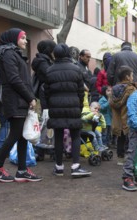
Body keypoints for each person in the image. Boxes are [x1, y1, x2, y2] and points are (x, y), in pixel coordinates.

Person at [0, 28, 41, 182]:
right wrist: (30, 97)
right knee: (15, 134)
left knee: (22, 135)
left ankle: (22, 170)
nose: (25, 40)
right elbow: (14, 79)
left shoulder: (13, 53)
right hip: (15, 101)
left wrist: (29, 98)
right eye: (23, 38)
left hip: (20, 101)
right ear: (13, 39)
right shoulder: (9, 54)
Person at [44, 43, 91, 177]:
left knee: (58, 137)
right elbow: (81, 91)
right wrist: (80, 106)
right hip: (73, 106)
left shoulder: (49, 70)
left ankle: (59, 167)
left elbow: (46, 91)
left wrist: (50, 105)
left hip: (56, 107)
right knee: (75, 135)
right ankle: (75, 166)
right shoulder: (76, 69)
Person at [109, 65, 136, 165]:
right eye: (132, 75)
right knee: (131, 139)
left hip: (117, 120)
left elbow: (111, 103)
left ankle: (120, 158)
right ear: (127, 77)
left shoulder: (113, 89)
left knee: (120, 139)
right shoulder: (131, 89)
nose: (133, 77)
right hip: (128, 119)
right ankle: (129, 158)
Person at [31, 39, 56, 110]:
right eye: (53, 49)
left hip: (49, 91)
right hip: (46, 92)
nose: (54, 52)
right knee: (47, 114)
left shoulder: (47, 60)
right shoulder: (42, 61)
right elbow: (50, 74)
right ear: (49, 50)